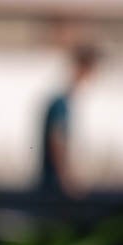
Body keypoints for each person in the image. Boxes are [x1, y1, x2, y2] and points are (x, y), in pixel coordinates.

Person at [39, 44, 99, 200]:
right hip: (54, 188)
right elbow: (56, 141)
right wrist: (66, 179)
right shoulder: (60, 104)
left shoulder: (65, 102)